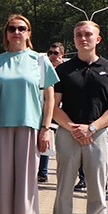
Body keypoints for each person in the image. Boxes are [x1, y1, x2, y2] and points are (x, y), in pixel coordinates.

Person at [0, 15, 58, 214]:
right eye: (12, 28)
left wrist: (45, 128)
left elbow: (50, 97)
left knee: (26, 179)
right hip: (3, 125)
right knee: (4, 179)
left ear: (29, 33)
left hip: (30, 126)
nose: (16, 32)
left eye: (21, 28)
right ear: (6, 33)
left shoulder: (40, 60)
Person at [52, 21, 108, 214]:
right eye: (78, 35)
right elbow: (53, 106)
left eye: (88, 34)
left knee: (97, 190)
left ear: (97, 39)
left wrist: (91, 128)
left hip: (99, 134)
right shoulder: (63, 69)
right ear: (74, 39)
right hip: (67, 133)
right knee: (64, 188)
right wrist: (74, 128)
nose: (83, 38)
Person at [37, 42, 64, 183]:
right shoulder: (45, 68)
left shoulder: (64, 70)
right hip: (46, 110)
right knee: (45, 142)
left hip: (62, 113)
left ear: (62, 55)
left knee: (62, 146)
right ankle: (43, 172)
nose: (53, 56)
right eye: (51, 53)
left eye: (56, 53)